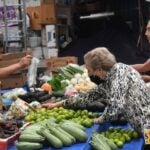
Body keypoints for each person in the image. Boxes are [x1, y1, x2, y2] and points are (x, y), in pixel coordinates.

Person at [45, 47, 150, 137]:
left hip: (147, 127)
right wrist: (58, 104)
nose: (91, 75)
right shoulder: (113, 74)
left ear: (99, 70)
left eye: (90, 71)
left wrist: (99, 119)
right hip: (143, 124)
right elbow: (87, 96)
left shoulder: (119, 76)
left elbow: (115, 108)